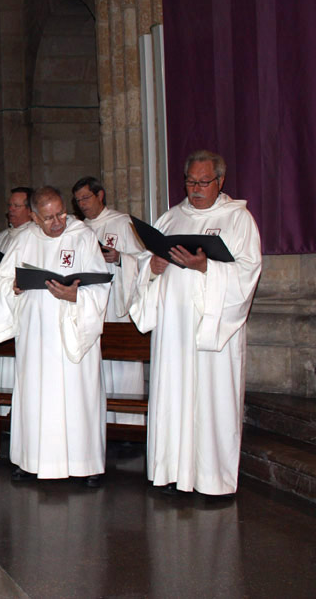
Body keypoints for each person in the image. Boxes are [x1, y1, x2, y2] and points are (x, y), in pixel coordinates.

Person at [128, 150, 261, 498]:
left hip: (211, 329)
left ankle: (210, 479)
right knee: (173, 394)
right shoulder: (171, 219)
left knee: (210, 399)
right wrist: (151, 268)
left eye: (204, 182)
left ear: (220, 182)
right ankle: (170, 472)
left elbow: (248, 271)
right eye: (190, 181)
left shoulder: (237, 219)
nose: (196, 189)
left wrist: (206, 268)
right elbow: (147, 261)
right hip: (173, 330)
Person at [0, 186, 110, 486]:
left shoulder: (82, 237)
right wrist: (14, 289)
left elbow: (100, 285)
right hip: (35, 335)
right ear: (33, 217)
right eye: (48, 217)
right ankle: (31, 459)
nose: (57, 222)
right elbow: (4, 278)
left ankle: (85, 464)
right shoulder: (24, 239)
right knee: (35, 394)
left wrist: (76, 296)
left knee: (76, 395)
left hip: (72, 331)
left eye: (60, 213)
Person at [72, 177, 145, 425]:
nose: (81, 204)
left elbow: (144, 261)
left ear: (100, 195)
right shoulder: (78, 230)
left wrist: (120, 258)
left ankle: (127, 423)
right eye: (78, 200)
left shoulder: (122, 223)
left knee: (121, 366)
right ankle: (97, 423)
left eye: (85, 197)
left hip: (115, 302)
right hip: (89, 303)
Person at [0, 187, 34, 416]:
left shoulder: (35, 235)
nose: (11, 211)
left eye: (16, 206)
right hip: (4, 302)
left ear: (30, 209)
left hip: (23, 304)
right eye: (9, 206)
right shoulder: (3, 237)